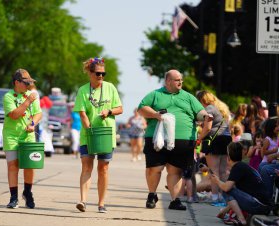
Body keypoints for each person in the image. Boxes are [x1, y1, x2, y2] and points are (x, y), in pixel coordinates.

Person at [138, 69, 212, 211]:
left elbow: (200, 112)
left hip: (182, 140)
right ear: (168, 81)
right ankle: (152, 195)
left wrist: (206, 116)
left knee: (175, 171)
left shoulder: (188, 97)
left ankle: (175, 200)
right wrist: (155, 114)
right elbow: (141, 108)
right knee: (155, 168)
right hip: (157, 139)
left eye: (181, 80)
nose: (181, 82)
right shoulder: (155, 94)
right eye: (177, 80)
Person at [73, 57, 123, 213]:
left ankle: (101, 203)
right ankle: (83, 201)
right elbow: (82, 113)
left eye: (103, 74)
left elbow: (120, 109)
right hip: (88, 134)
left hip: (106, 134)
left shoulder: (110, 88)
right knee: (86, 166)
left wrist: (109, 111)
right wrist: (89, 130)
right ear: (89, 72)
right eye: (97, 74)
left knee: (103, 168)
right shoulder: (82, 90)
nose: (100, 77)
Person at [2, 69, 42, 209]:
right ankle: (14, 197)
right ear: (17, 82)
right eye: (26, 83)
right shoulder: (8, 96)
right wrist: (27, 102)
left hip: (28, 136)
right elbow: (14, 115)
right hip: (11, 135)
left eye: (30, 83)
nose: (28, 85)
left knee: (29, 165)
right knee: (13, 165)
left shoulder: (32, 95)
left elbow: (38, 114)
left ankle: (28, 192)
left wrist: (32, 124)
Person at [211, 142, 271, 226]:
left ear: (228, 157)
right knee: (228, 188)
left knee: (226, 189)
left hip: (259, 205)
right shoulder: (242, 166)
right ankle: (236, 216)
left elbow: (227, 189)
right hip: (263, 206)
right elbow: (237, 198)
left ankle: (241, 219)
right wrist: (224, 211)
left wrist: (217, 181)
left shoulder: (237, 167)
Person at [196, 90, 232, 205]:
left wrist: (199, 139)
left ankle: (215, 196)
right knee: (223, 171)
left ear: (202, 100)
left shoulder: (209, 109)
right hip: (226, 139)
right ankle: (224, 196)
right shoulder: (219, 108)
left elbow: (207, 127)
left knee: (213, 171)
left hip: (214, 140)